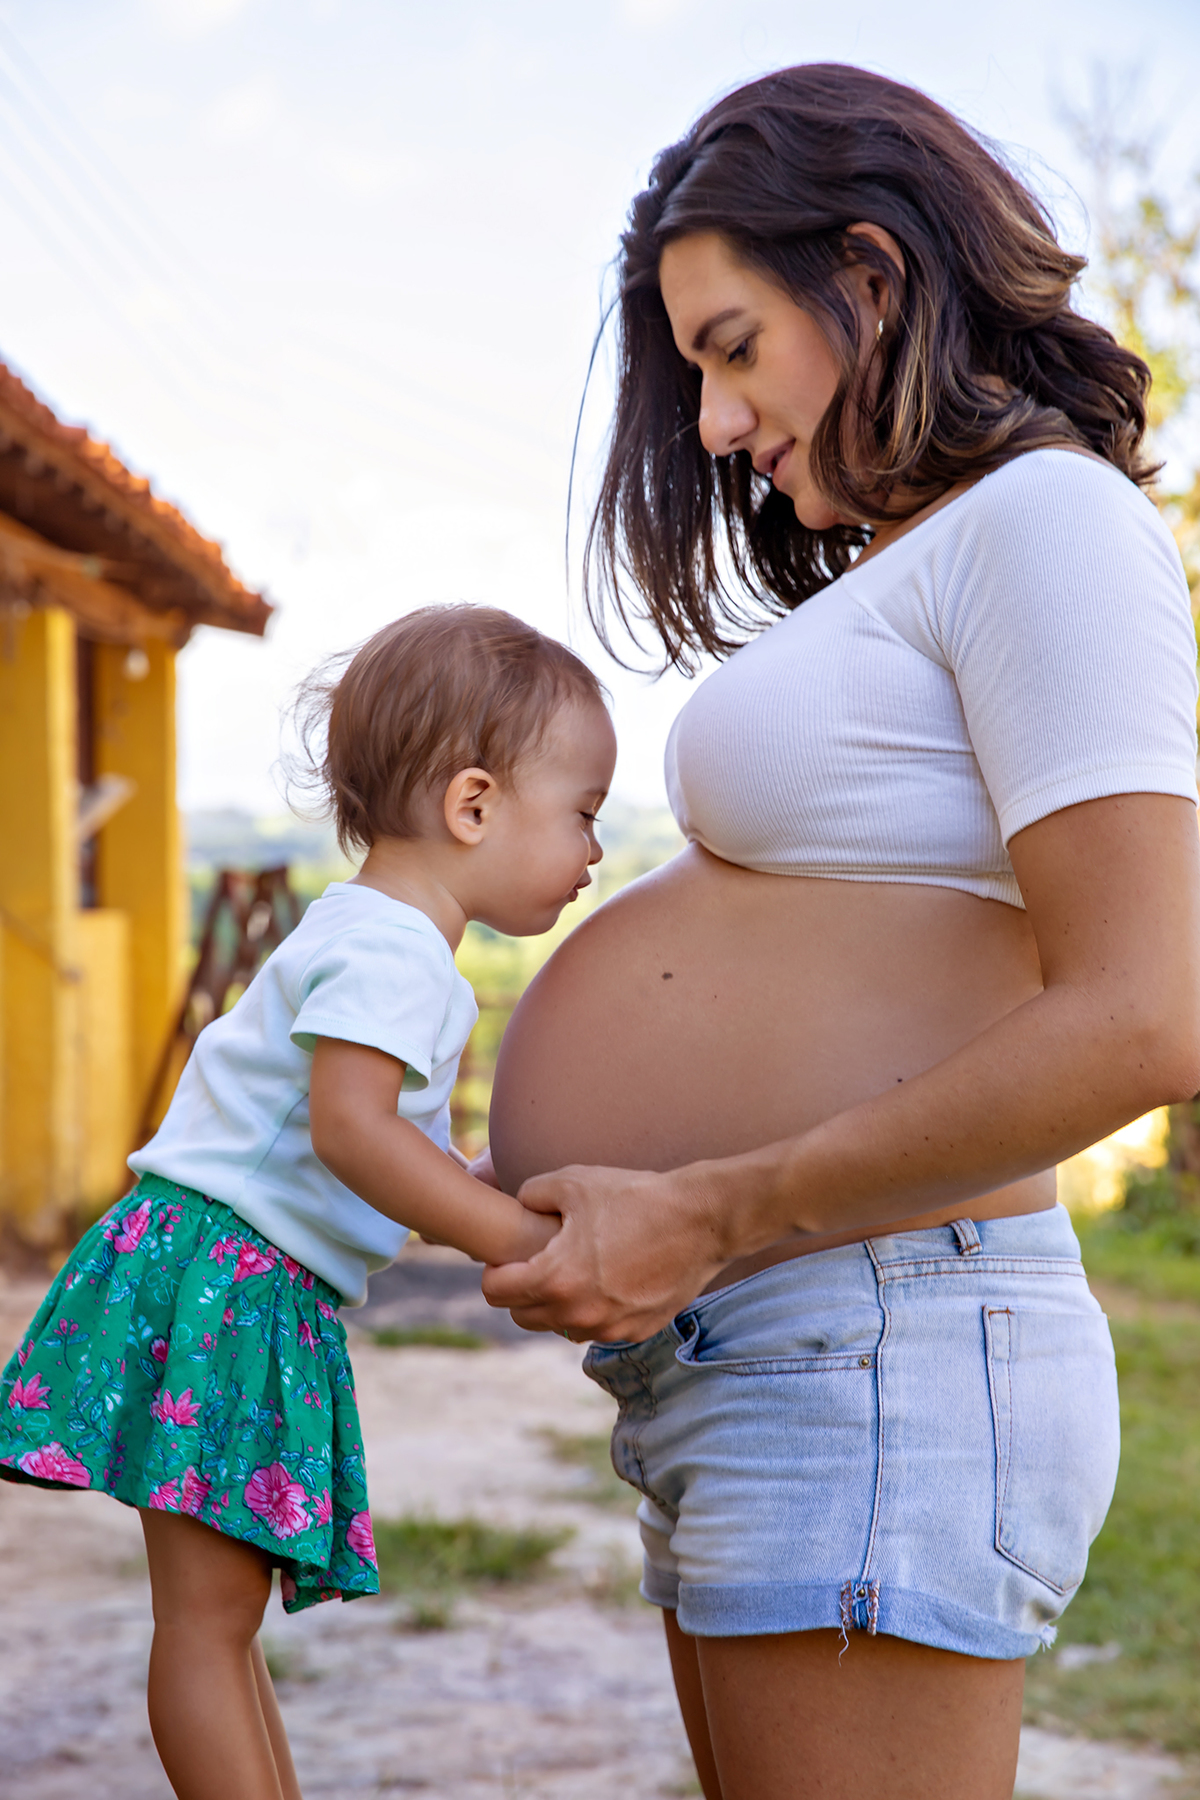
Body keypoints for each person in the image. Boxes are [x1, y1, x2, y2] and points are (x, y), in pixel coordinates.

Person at [479, 66, 1200, 1800]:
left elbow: (1156, 1005)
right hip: (788, 1341)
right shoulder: (926, 556)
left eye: (730, 348)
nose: (715, 423)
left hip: (874, 1334)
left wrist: (716, 1208)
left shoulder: (1048, 519)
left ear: (869, 276)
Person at [0, 604, 615, 1800]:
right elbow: (351, 1132)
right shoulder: (393, 954)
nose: (595, 849)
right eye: (584, 812)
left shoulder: (374, 935)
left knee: (217, 1623)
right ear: (474, 805)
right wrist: (514, 1244)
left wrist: (492, 1181)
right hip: (230, 1276)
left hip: (225, 1273)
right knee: (206, 1624)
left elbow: (387, 1145)